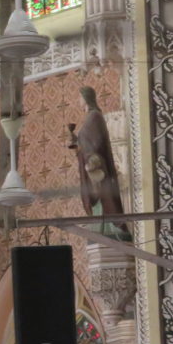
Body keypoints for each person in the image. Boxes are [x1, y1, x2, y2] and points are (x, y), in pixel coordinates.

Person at [68, 85, 131, 241]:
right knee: (98, 203)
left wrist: (91, 159)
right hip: (91, 169)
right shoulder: (91, 117)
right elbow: (88, 143)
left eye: (80, 97)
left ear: (86, 98)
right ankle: (101, 229)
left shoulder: (94, 117)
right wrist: (77, 143)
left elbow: (96, 143)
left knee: (103, 200)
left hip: (97, 169)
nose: (78, 100)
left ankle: (110, 229)